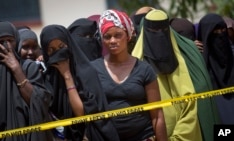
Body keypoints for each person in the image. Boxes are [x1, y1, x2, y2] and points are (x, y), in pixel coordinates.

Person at [132, 9, 219, 141]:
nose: (159, 36)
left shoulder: (184, 59)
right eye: (153, 32)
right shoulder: (134, 65)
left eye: (163, 30)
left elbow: (191, 103)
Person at [91, 9, 168, 141]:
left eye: (118, 35)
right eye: (107, 36)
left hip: (143, 136)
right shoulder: (94, 69)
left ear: (128, 35)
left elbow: (157, 115)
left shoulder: (144, 69)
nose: (113, 40)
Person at [40, 24, 120, 141]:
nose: (58, 53)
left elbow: (82, 114)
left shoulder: (86, 72)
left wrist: (67, 76)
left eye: (61, 46)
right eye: (51, 50)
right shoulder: (47, 78)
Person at [0, 21, 53, 141]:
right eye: (0, 42)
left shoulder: (28, 68)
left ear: (17, 41)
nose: (6, 45)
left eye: (10, 40)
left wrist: (16, 69)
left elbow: (39, 102)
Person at [197, 13, 234, 124]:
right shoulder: (199, 63)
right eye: (215, 32)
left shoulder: (232, 55)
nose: (220, 35)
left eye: (223, 30)